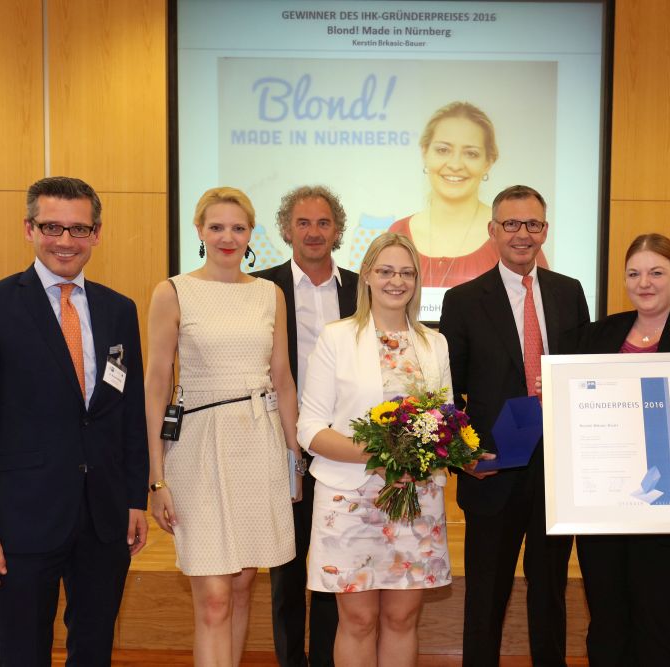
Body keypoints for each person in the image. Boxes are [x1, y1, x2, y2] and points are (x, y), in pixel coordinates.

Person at [0, 176, 149, 666]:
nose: (65, 241)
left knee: (94, 650)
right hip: (20, 520)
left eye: (79, 229)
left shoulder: (119, 310)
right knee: (23, 653)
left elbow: (128, 414)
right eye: (52, 227)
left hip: (104, 519)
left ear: (96, 234)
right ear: (29, 229)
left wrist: (134, 497)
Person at [144, 187, 300, 667]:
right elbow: (156, 385)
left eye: (238, 228)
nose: (227, 237)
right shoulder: (172, 292)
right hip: (198, 449)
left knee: (241, 586)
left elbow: (282, 379)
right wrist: (156, 479)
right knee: (213, 596)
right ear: (199, 231)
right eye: (216, 227)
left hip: (259, 444)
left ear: (251, 234)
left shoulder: (270, 294)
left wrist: (294, 459)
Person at [564, 233, 670, 666]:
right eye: (634, 274)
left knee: (658, 619)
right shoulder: (597, 335)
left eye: (657, 272)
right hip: (604, 508)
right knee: (606, 620)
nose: (645, 283)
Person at [439, 185, 590, 666]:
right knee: (486, 596)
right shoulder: (463, 300)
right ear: (493, 230)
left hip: (556, 471)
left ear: (545, 230)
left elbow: (583, 373)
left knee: (550, 593)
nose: (523, 234)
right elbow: (447, 391)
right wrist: (462, 457)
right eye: (511, 224)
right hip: (493, 469)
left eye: (533, 224)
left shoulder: (570, 292)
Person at [296, 233, 453, 667]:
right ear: (366, 275)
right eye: (385, 271)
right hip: (350, 497)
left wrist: (423, 459)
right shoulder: (337, 337)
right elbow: (310, 429)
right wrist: (380, 456)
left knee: (402, 619)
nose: (395, 281)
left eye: (406, 273)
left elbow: (445, 424)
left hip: (416, 497)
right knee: (359, 620)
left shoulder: (434, 343)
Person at [254, 185, 359, 667]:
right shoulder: (261, 289)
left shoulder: (362, 288)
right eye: (303, 223)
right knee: (288, 572)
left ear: (337, 230)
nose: (313, 232)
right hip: (283, 446)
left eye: (323, 223)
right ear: (286, 229)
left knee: (337, 569)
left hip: (348, 450)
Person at [389, 101, 549, 287]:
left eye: (471, 154)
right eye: (443, 150)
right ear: (425, 153)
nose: (455, 165)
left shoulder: (513, 236)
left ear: (488, 161)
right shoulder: (398, 233)